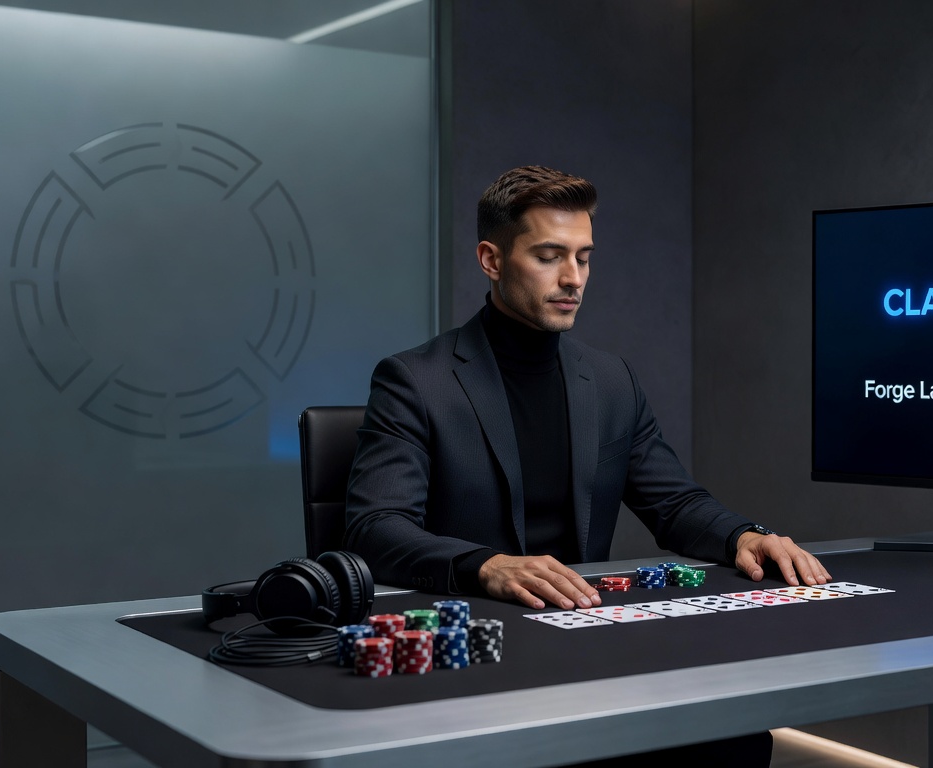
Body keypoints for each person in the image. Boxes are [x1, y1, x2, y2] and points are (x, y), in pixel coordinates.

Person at [344, 165, 830, 611]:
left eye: (583, 258)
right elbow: (375, 529)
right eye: (548, 257)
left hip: (582, 625)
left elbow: (675, 504)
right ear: (491, 260)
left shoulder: (612, 381)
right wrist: (488, 566)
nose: (573, 279)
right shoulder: (414, 381)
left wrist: (743, 536)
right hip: (474, 622)